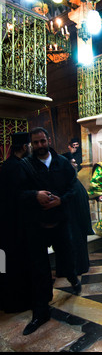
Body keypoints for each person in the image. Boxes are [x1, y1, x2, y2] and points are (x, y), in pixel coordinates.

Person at [19, 127, 80, 336]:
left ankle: (73, 277)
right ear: (30, 144)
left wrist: (61, 200)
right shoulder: (25, 166)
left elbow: (73, 188)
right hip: (37, 226)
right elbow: (18, 193)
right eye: (35, 143)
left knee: (67, 257)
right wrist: (35, 195)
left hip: (60, 222)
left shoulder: (62, 163)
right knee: (39, 270)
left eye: (42, 141)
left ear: (49, 140)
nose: (39, 146)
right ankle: (41, 312)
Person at [0, 132, 33, 313]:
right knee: (16, 266)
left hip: (8, 224)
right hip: (16, 226)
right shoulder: (17, 167)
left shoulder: (9, 164)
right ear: (24, 147)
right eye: (30, 145)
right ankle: (18, 302)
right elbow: (19, 196)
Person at [61, 154, 94, 275]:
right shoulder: (64, 181)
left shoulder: (74, 178)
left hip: (80, 220)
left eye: (75, 162)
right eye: (73, 163)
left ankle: (82, 266)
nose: (75, 165)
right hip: (72, 221)